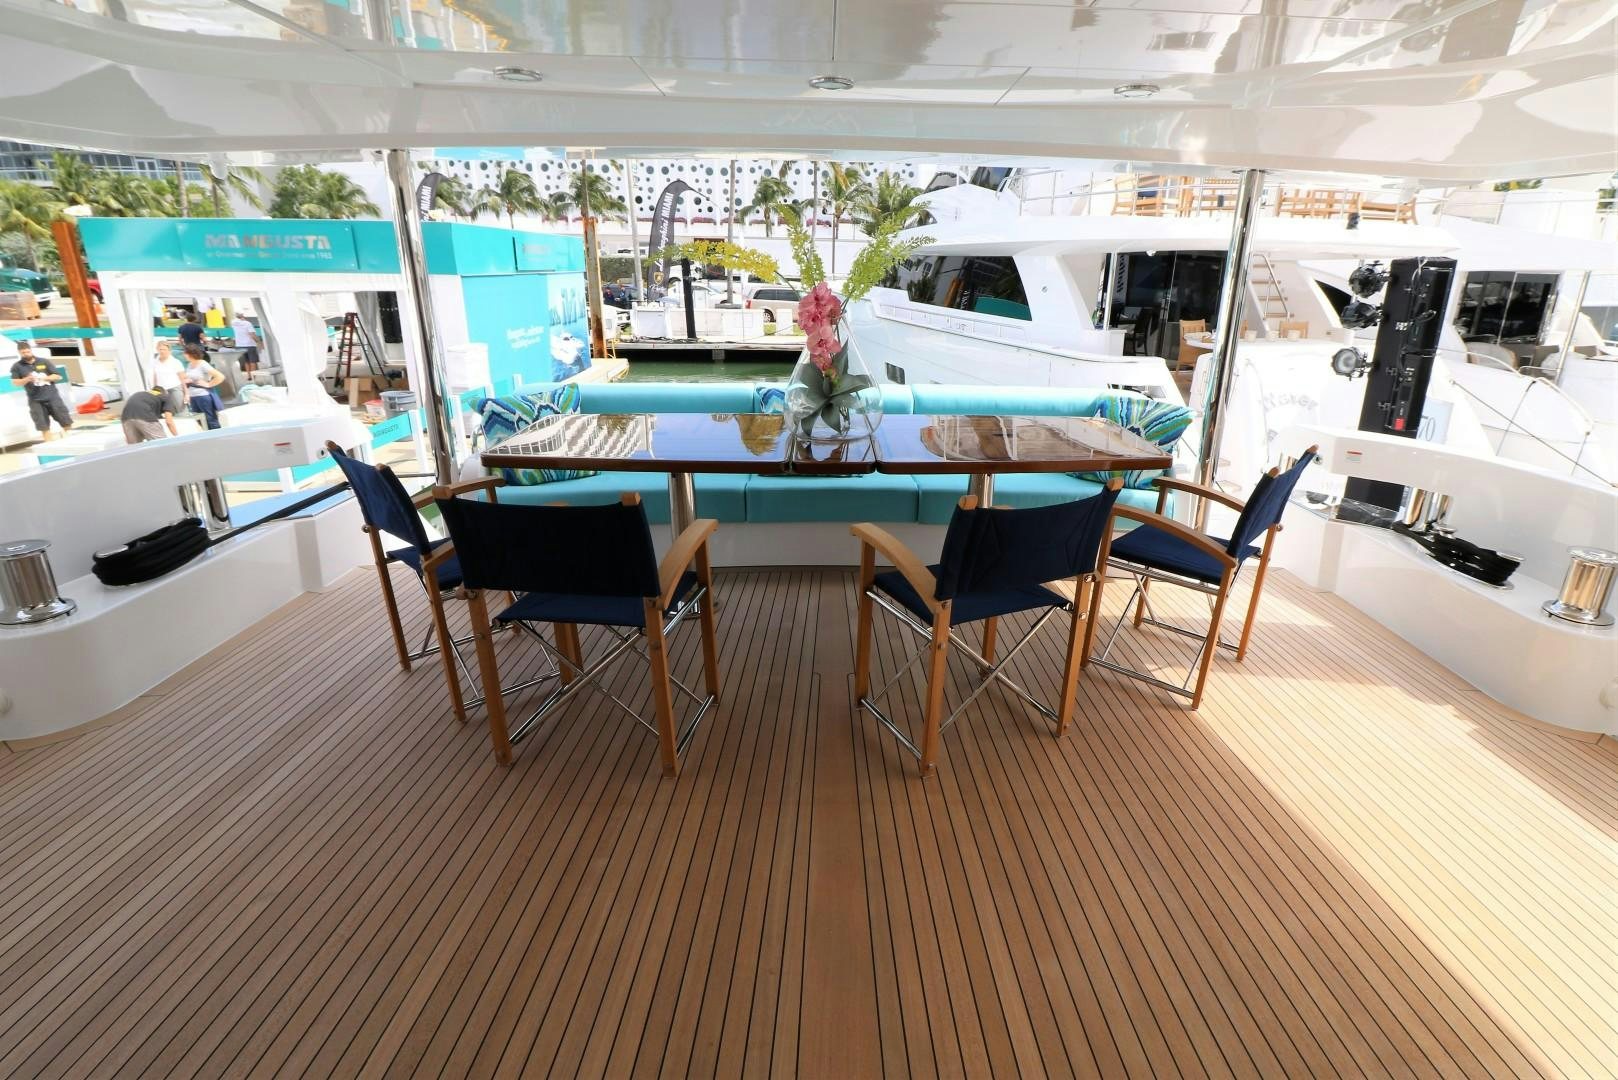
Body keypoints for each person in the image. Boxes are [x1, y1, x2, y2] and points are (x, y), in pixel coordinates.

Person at [8, 342, 73, 441]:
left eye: (28, 352)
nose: (26, 354)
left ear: (31, 350)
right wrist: (27, 379)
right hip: (35, 400)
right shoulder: (17, 366)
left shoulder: (43, 361)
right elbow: (15, 382)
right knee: (43, 426)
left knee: (65, 420)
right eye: (23, 353)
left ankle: (69, 438)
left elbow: (57, 376)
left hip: (52, 397)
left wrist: (43, 378)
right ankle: (49, 444)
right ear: (19, 353)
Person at [182, 345, 226, 429]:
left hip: (203, 395)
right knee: (199, 420)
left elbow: (220, 376)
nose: (184, 355)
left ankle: (217, 435)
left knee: (210, 419)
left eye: (185, 353)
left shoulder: (202, 364)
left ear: (191, 354)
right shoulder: (189, 365)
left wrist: (209, 384)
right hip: (193, 396)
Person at [151, 340, 186, 414]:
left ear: (169, 350)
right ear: (157, 349)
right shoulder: (154, 362)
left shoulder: (176, 362)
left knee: (180, 411)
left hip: (174, 388)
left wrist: (186, 394)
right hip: (161, 390)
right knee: (164, 412)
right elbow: (155, 378)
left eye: (164, 349)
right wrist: (154, 391)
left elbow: (183, 379)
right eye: (160, 349)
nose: (162, 351)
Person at [231, 310, 262, 375]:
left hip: (239, 345)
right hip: (250, 345)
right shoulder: (247, 323)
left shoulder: (233, 323)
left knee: (246, 361)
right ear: (243, 315)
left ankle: (249, 376)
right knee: (253, 362)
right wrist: (258, 341)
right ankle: (253, 376)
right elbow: (252, 334)